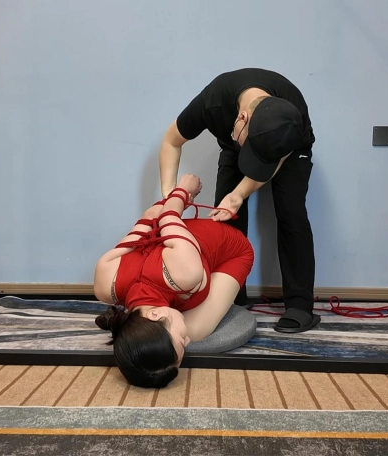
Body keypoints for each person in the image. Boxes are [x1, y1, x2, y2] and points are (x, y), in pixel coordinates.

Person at [157, 68, 319, 334]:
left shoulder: (293, 115)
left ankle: (300, 304)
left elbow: (276, 159)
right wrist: (170, 197)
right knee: (226, 221)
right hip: (233, 144)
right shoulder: (213, 102)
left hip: (288, 152)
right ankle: (231, 295)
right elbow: (171, 142)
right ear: (242, 118)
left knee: (291, 214)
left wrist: (240, 193)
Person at [93, 174, 255, 389]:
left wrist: (183, 190)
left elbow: (166, 217)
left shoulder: (184, 274)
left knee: (195, 331)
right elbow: (147, 220)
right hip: (181, 251)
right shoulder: (104, 287)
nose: (187, 342)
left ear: (155, 315)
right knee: (190, 327)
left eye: (181, 341)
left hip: (230, 252)